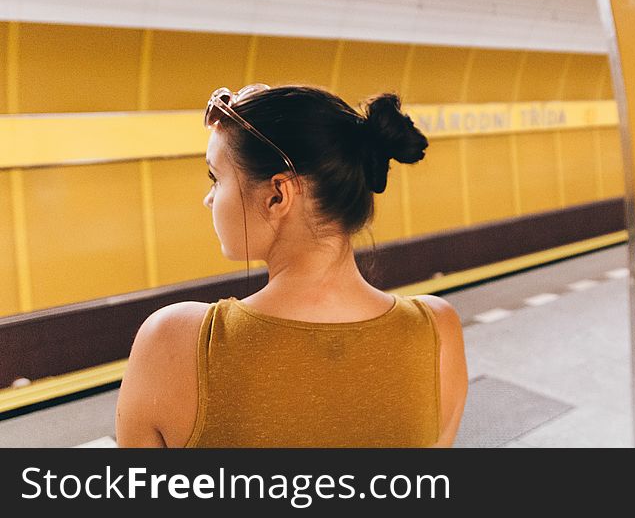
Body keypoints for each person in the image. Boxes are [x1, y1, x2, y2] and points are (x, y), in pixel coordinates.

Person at [116, 83, 468, 447]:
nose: (208, 200)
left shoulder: (174, 341)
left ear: (277, 195)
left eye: (216, 178)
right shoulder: (437, 331)